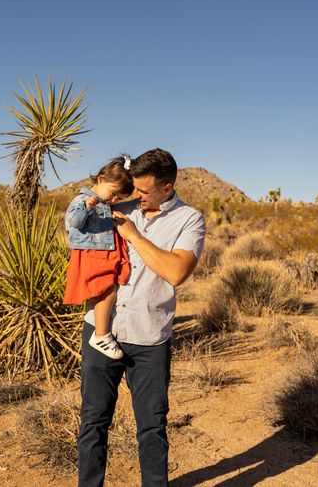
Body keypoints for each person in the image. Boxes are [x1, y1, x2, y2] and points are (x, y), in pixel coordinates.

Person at [77, 148, 206, 486]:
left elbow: (176, 271)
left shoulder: (189, 220)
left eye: (144, 192)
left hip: (149, 339)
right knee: (93, 421)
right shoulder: (120, 204)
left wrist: (134, 235)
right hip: (101, 331)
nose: (136, 196)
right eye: (134, 188)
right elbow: (78, 231)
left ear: (167, 187)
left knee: (151, 426)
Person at [63, 155, 134, 359]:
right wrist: (87, 207)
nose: (114, 201)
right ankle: (100, 334)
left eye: (119, 199)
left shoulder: (104, 203)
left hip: (102, 252)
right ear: (101, 179)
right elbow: (73, 223)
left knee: (109, 289)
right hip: (92, 254)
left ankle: (101, 331)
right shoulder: (82, 200)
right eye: (113, 194)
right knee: (106, 291)